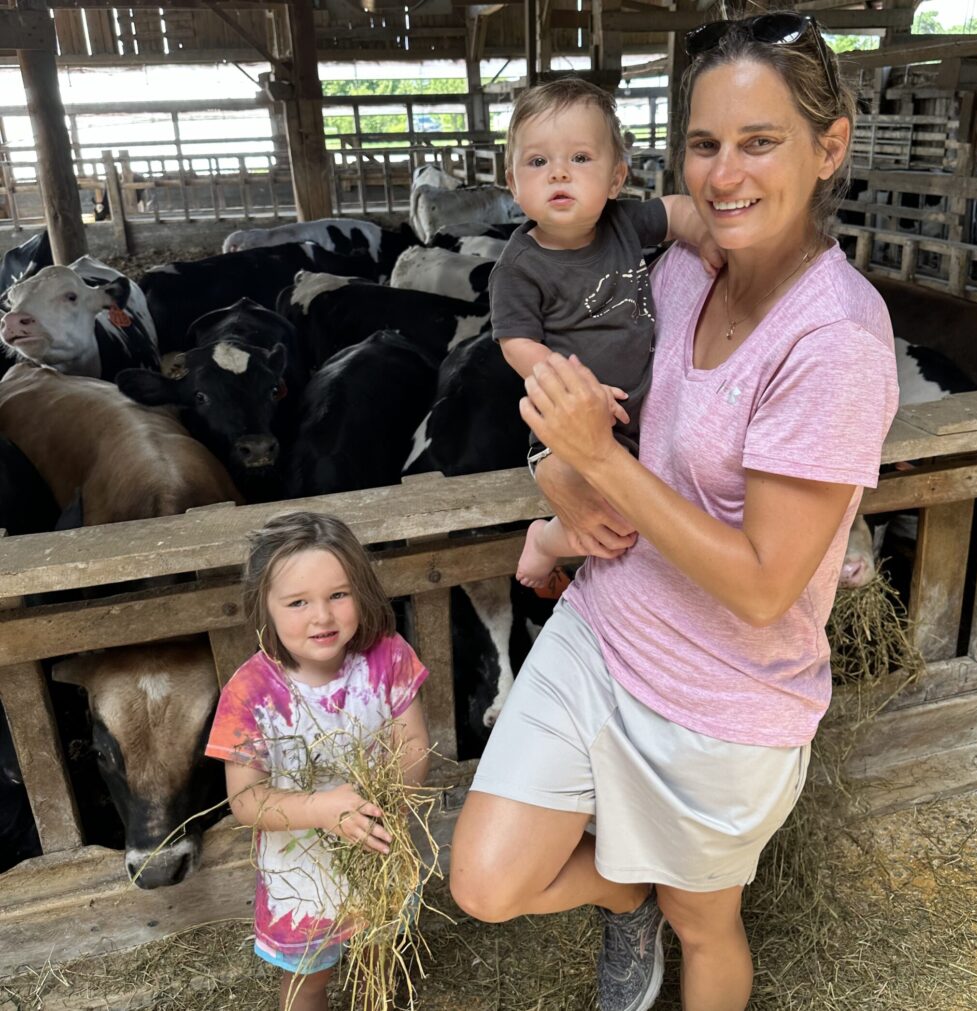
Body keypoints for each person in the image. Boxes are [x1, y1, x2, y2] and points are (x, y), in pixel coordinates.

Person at [451, 12, 898, 1011]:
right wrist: (554, 495)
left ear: (831, 146)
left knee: (709, 927)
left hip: (725, 694)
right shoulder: (684, 264)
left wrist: (592, 464)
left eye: (759, 141)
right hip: (606, 627)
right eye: (704, 144)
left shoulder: (834, 343)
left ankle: (657, 901)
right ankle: (629, 893)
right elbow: (592, 362)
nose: (724, 174)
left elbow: (761, 584)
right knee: (484, 882)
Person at [491, 77, 723, 588]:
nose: (558, 172)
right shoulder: (518, 267)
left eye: (579, 158)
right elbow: (517, 344)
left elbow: (678, 209)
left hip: (640, 419)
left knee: (649, 506)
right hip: (568, 428)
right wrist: (572, 386)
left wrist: (704, 234)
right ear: (513, 184)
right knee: (601, 512)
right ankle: (546, 540)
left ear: (616, 179)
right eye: (537, 162)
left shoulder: (624, 222)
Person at [206, 511, 430, 1011]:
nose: (322, 617)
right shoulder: (251, 692)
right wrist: (325, 809)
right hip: (301, 874)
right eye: (298, 602)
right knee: (308, 980)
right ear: (264, 607)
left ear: (362, 591)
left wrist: (390, 795)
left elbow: (413, 741)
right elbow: (246, 801)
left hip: (379, 847)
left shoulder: (387, 656)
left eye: (338, 595)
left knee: (382, 953)